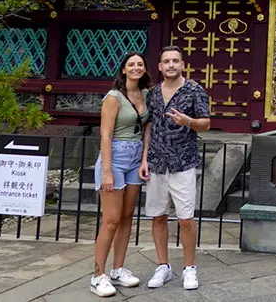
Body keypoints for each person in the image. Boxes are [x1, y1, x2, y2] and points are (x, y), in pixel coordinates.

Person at [143, 45, 211, 291]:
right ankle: (163, 266)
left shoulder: (194, 91)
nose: (171, 65)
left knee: (185, 219)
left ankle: (189, 268)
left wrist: (188, 121)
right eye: (166, 61)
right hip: (157, 163)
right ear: (160, 66)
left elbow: (206, 123)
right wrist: (144, 159)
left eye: (175, 61)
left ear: (183, 64)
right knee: (158, 216)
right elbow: (148, 126)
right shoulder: (152, 94)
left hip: (183, 163)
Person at [89, 52, 151, 298]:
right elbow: (105, 134)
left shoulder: (145, 95)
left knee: (127, 218)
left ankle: (117, 269)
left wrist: (145, 158)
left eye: (140, 64)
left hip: (135, 158)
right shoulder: (113, 98)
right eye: (131, 65)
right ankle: (97, 274)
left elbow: (147, 129)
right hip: (114, 157)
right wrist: (106, 171)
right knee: (111, 219)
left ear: (145, 69)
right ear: (123, 70)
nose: (136, 68)